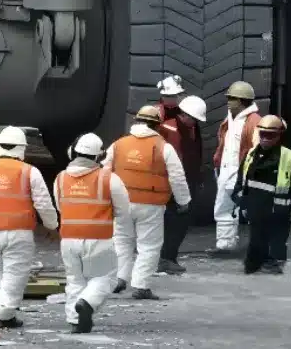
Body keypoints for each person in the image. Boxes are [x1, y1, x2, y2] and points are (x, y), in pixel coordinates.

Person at [0, 126, 58, 329]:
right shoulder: (30, 172)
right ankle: (5, 313)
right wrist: (52, 226)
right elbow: (43, 202)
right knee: (16, 271)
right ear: (21, 148)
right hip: (19, 231)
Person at [104, 105, 191, 299]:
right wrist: (183, 201)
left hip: (121, 203)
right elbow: (177, 176)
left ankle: (120, 279)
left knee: (122, 242)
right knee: (149, 246)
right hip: (151, 204)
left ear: (136, 121)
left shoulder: (119, 144)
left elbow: (104, 171)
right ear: (157, 125)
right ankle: (140, 285)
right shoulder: (164, 147)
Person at [55, 133, 130, 334]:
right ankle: (87, 303)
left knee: (74, 279)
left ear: (73, 152)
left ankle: (75, 320)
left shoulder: (61, 178)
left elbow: (61, 207)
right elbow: (123, 210)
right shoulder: (109, 178)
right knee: (106, 277)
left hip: (69, 238)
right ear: (99, 156)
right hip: (99, 238)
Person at [231, 115, 291, 274]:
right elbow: (242, 180)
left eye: (270, 135)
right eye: (262, 134)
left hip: (278, 212)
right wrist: (241, 202)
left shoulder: (289, 157)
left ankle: (273, 269)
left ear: (278, 136)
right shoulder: (251, 155)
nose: (265, 139)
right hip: (256, 210)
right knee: (255, 246)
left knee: (276, 247)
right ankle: (256, 268)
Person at [159, 94, 207, 274]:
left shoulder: (192, 128)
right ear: (184, 114)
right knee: (174, 221)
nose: (194, 122)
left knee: (181, 221)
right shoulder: (167, 128)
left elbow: (195, 154)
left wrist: (198, 178)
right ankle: (165, 258)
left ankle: (168, 257)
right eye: (193, 119)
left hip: (187, 180)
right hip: (173, 183)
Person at [211, 80, 261, 255]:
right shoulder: (230, 119)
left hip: (241, 173)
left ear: (241, 101)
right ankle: (225, 245)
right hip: (226, 170)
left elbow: (257, 150)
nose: (228, 102)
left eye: (231, 99)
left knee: (247, 210)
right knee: (223, 207)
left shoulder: (254, 121)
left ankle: (259, 247)